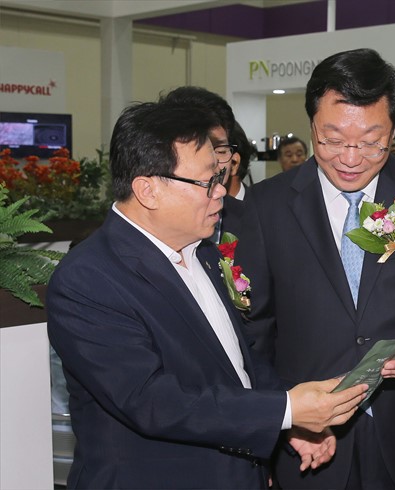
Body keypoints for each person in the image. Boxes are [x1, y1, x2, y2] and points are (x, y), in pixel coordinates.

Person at [46, 100, 368, 489]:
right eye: (207, 183)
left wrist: (287, 423)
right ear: (147, 190)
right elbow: (151, 400)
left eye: (221, 177)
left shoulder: (204, 253)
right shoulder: (88, 279)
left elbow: (239, 362)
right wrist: (284, 410)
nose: (220, 194)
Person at [237, 48, 395, 489]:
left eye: (371, 142)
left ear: (394, 132)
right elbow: (255, 329)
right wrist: (284, 415)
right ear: (312, 124)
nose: (350, 158)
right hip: (312, 436)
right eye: (331, 139)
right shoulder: (265, 205)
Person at [158, 86, 252, 240]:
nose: (213, 163)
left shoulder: (255, 222)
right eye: (200, 149)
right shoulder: (144, 225)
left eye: (220, 150)